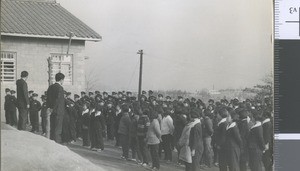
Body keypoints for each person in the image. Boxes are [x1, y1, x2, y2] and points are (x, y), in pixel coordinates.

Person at [46, 73, 65, 143]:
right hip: (58, 112)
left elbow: (47, 99)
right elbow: (57, 100)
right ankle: (57, 145)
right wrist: (53, 108)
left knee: (52, 129)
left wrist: (49, 108)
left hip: (52, 112)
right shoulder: (60, 88)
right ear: (61, 80)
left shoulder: (50, 87)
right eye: (63, 80)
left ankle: (52, 145)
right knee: (58, 130)